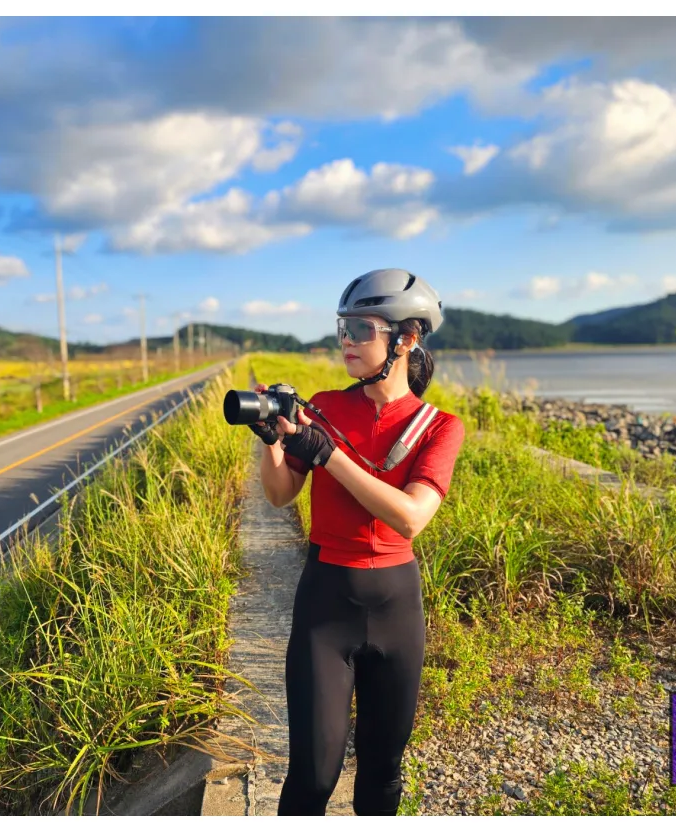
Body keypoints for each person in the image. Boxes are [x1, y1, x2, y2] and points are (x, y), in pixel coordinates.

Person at [247, 268, 465, 816]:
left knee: (382, 771)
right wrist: (273, 444)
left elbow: (411, 518)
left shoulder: (440, 427)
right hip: (326, 601)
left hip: (397, 605)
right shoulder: (325, 407)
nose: (347, 341)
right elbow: (279, 496)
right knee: (313, 776)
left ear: (406, 338)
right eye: (343, 328)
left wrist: (328, 455)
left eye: (362, 329)